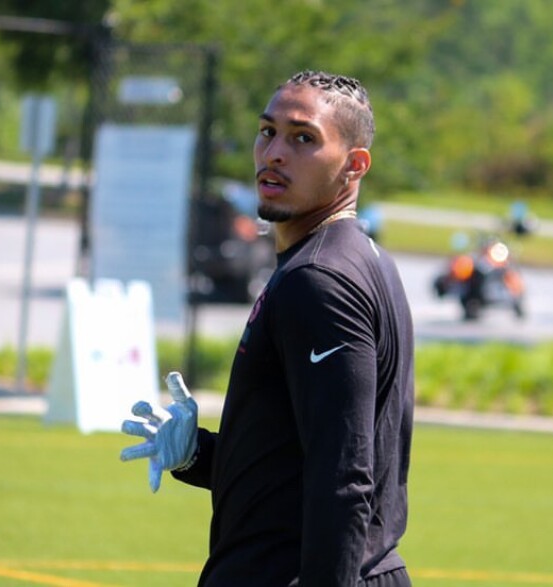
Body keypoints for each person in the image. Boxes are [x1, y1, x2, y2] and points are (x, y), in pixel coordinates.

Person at [121, 70, 415, 587]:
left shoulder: (320, 280)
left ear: (354, 165)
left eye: (304, 138)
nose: (274, 152)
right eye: (267, 131)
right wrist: (200, 455)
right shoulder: (348, 260)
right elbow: (296, 462)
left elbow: (344, 477)